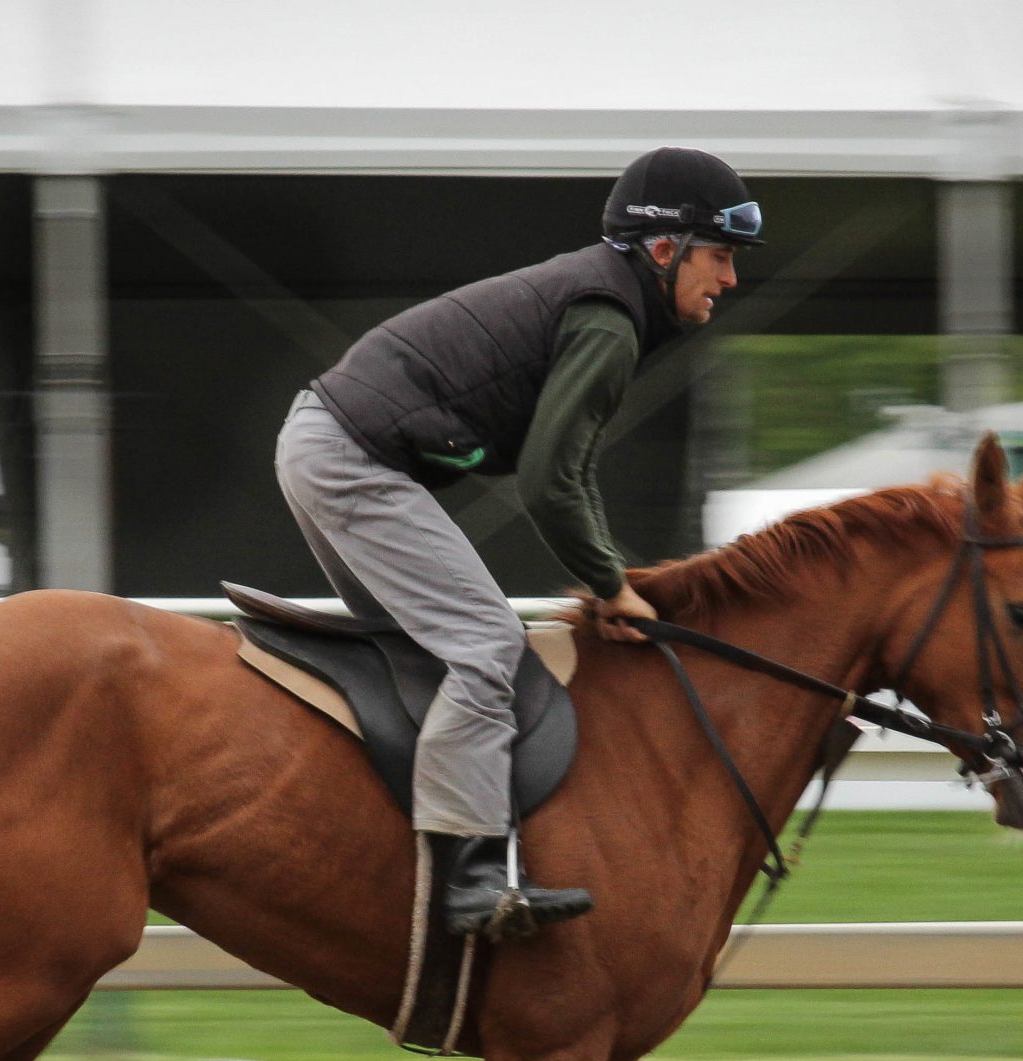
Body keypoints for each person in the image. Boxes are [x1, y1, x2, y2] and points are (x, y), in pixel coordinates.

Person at [275, 146, 762, 940]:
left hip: (326, 439)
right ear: (664, 249)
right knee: (486, 646)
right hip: (348, 452)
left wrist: (606, 577)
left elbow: (563, 470)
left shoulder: (602, 300)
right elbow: (550, 481)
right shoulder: (608, 322)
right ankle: (467, 882)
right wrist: (611, 585)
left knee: (429, 652)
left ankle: (393, 850)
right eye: (720, 255)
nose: (731, 279)